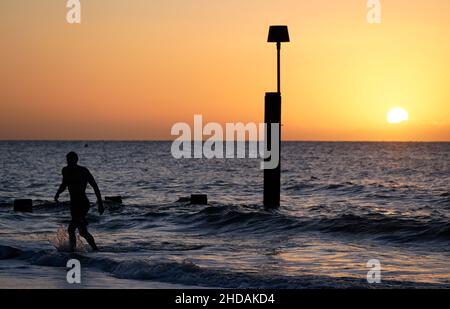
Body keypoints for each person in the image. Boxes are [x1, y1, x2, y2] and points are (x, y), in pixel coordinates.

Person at [54, 152, 104, 252]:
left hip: (82, 203)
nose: (68, 162)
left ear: (76, 160)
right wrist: (58, 193)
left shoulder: (83, 171)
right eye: (67, 160)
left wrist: (100, 203)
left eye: (70, 160)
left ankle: (72, 252)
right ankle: (95, 249)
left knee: (71, 229)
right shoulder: (65, 170)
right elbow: (64, 183)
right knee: (83, 232)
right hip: (73, 204)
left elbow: (95, 186)